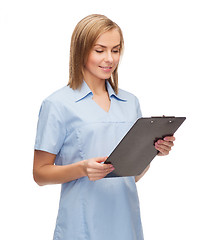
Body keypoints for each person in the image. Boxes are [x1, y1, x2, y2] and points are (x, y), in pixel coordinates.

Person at [33, 14, 175, 240]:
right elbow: (40, 174)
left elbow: (133, 176)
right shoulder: (57, 104)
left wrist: (153, 152)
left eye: (116, 50)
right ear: (80, 51)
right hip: (80, 225)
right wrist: (82, 169)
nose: (109, 58)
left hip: (125, 223)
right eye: (99, 50)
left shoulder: (130, 103)